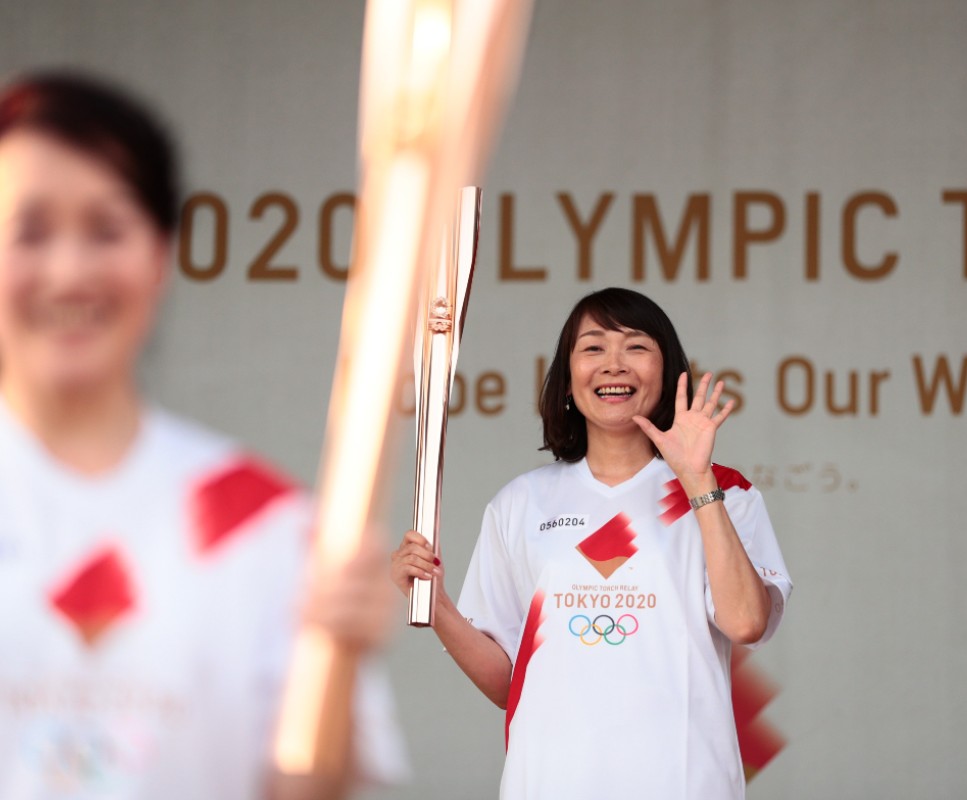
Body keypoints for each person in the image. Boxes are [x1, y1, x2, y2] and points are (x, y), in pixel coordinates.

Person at [0, 71, 407, 799]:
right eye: (30, 232)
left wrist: (336, 666)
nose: (67, 272)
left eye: (105, 230)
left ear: (160, 255)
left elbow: (305, 788)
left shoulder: (262, 520)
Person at [392, 287, 792, 799]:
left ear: (668, 374)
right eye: (594, 348)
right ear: (568, 378)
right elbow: (505, 682)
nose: (614, 365)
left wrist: (697, 482)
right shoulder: (523, 503)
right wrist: (437, 601)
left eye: (636, 347)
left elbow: (746, 622)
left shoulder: (725, 493)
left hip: (683, 781)